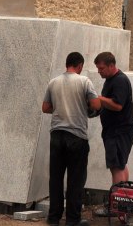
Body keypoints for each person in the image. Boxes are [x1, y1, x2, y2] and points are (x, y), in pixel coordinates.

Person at [42, 52, 100, 226]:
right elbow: (96, 105)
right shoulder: (84, 82)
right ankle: (72, 220)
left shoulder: (54, 82)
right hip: (76, 136)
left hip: (57, 135)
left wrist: (60, 108)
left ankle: (53, 218)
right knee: (75, 180)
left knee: (56, 178)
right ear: (80, 65)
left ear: (67, 64)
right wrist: (84, 107)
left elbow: (45, 107)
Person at [93, 52, 133, 217]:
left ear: (111, 65)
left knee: (116, 167)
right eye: (98, 68)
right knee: (121, 164)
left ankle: (116, 206)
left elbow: (117, 105)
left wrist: (98, 98)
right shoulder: (111, 80)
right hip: (117, 131)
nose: (99, 71)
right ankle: (123, 203)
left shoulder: (120, 81)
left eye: (101, 68)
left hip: (119, 131)